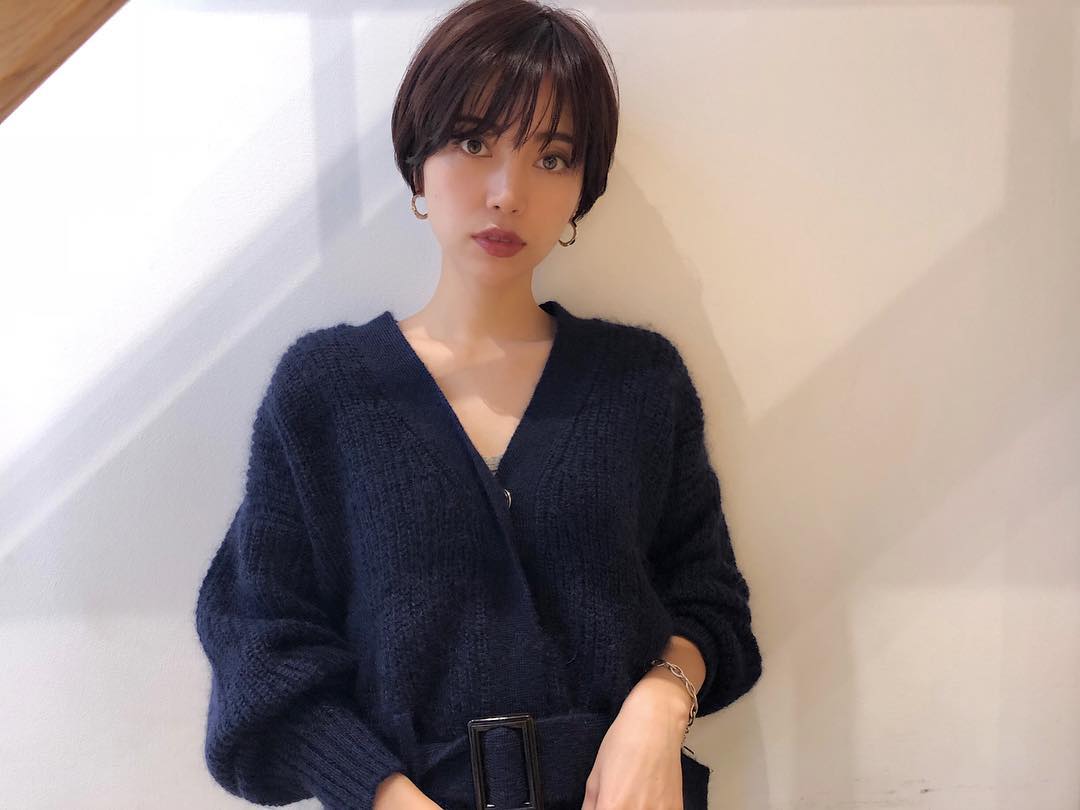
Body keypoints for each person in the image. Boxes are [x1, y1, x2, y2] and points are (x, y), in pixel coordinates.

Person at [194, 1, 763, 809]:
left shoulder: (639, 383)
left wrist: (660, 703)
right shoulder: (327, 392)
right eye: (472, 143)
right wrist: (381, 794)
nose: (507, 192)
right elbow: (261, 643)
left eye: (553, 156)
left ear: (583, 188)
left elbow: (710, 600)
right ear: (418, 160)